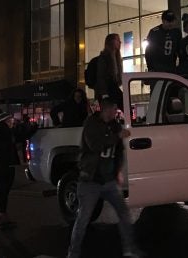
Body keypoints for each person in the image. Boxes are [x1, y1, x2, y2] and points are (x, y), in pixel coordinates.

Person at [67, 97, 140, 258]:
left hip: (109, 182)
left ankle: (130, 249)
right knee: (83, 219)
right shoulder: (92, 124)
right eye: (114, 108)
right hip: (90, 181)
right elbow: (96, 144)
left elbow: (119, 151)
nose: (116, 111)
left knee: (123, 212)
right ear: (106, 109)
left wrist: (119, 170)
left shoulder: (115, 125)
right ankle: (73, 253)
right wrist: (118, 136)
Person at [94, 33, 124, 109]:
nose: (120, 42)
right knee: (110, 112)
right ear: (111, 42)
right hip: (106, 90)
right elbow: (100, 76)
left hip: (113, 88)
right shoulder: (104, 57)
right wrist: (104, 94)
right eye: (117, 40)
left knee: (124, 106)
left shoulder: (117, 58)